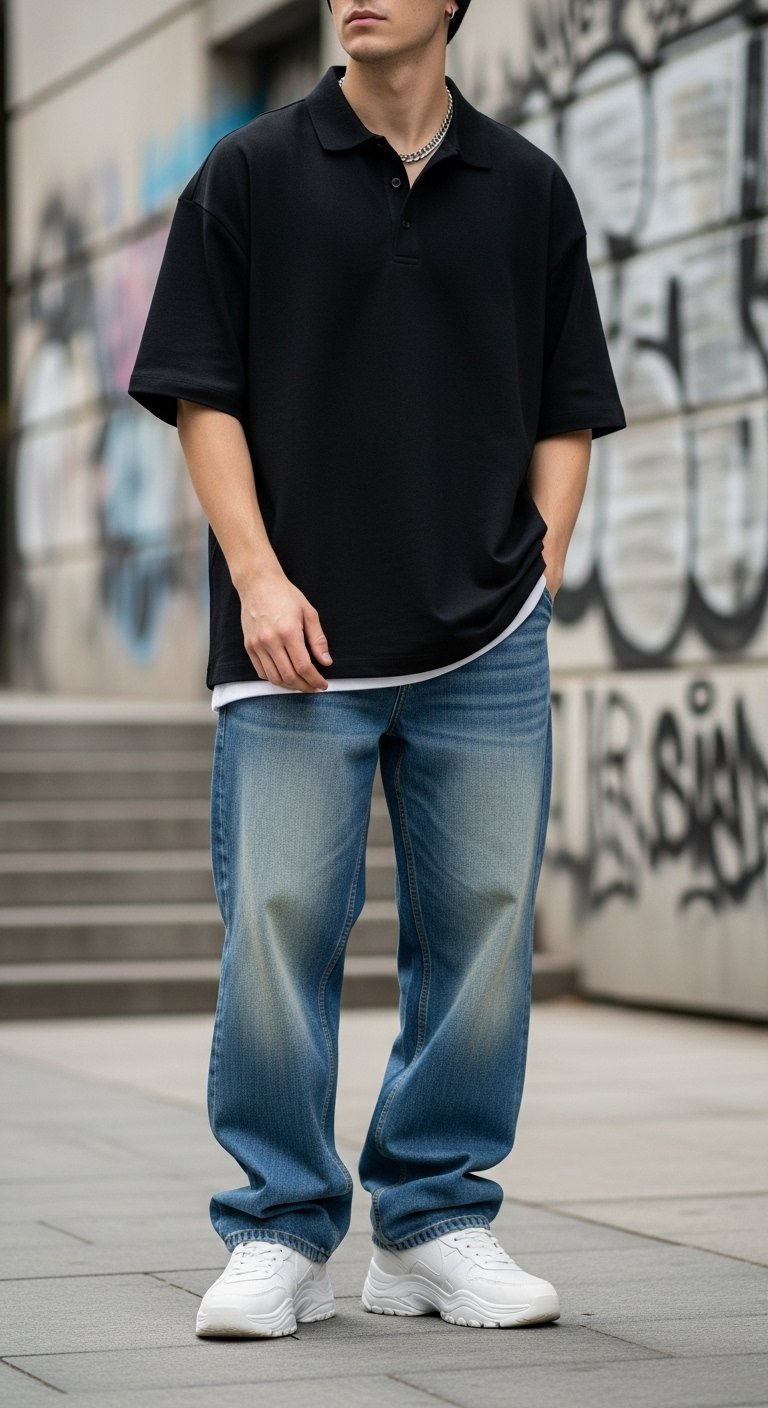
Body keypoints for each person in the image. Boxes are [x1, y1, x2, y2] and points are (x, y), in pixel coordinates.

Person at [128, 0, 626, 1339]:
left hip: (483, 637)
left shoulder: (526, 189)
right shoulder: (249, 174)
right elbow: (198, 393)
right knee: (280, 930)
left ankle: (432, 1222)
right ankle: (279, 1231)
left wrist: (544, 560)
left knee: (483, 933)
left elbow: (568, 403)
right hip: (295, 638)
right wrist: (256, 574)